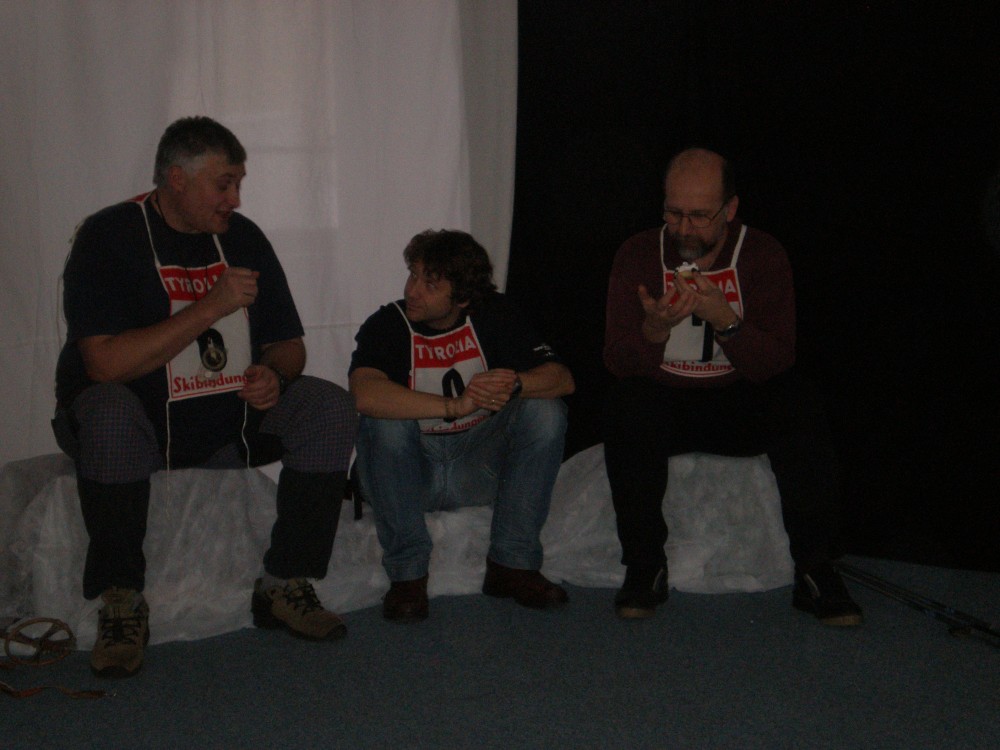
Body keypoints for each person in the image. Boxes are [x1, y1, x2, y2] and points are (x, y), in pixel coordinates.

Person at [53, 116, 359, 678]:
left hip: (226, 414)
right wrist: (210, 306)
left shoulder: (243, 237)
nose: (235, 199)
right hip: (134, 419)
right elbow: (104, 365)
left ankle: (284, 582)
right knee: (110, 414)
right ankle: (121, 600)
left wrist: (274, 373)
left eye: (239, 183)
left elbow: (289, 344)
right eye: (224, 183)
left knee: (328, 408)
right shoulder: (108, 236)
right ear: (177, 178)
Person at [603, 147, 862, 626]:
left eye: (700, 216)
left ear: (730, 209)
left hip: (738, 396)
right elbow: (616, 361)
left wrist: (726, 321)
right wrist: (653, 332)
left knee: (799, 402)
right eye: (674, 213)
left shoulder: (762, 253)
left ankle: (815, 569)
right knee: (626, 405)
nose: (685, 228)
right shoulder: (638, 253)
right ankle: (644, 565)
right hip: (666, 399)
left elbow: (777, 360)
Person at [349, 229, 575, 622]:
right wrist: (455, 405)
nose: (413, 290)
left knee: (546, 411)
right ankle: (408, 575)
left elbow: (562, 379)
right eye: (413, 275)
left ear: (464, 298)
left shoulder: (495, 314)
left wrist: (514, 383)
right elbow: (363, 393)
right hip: (409, 472)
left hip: (475, 464)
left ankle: (511, 564)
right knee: (385, 422)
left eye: (430, 284)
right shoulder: (387, 323)